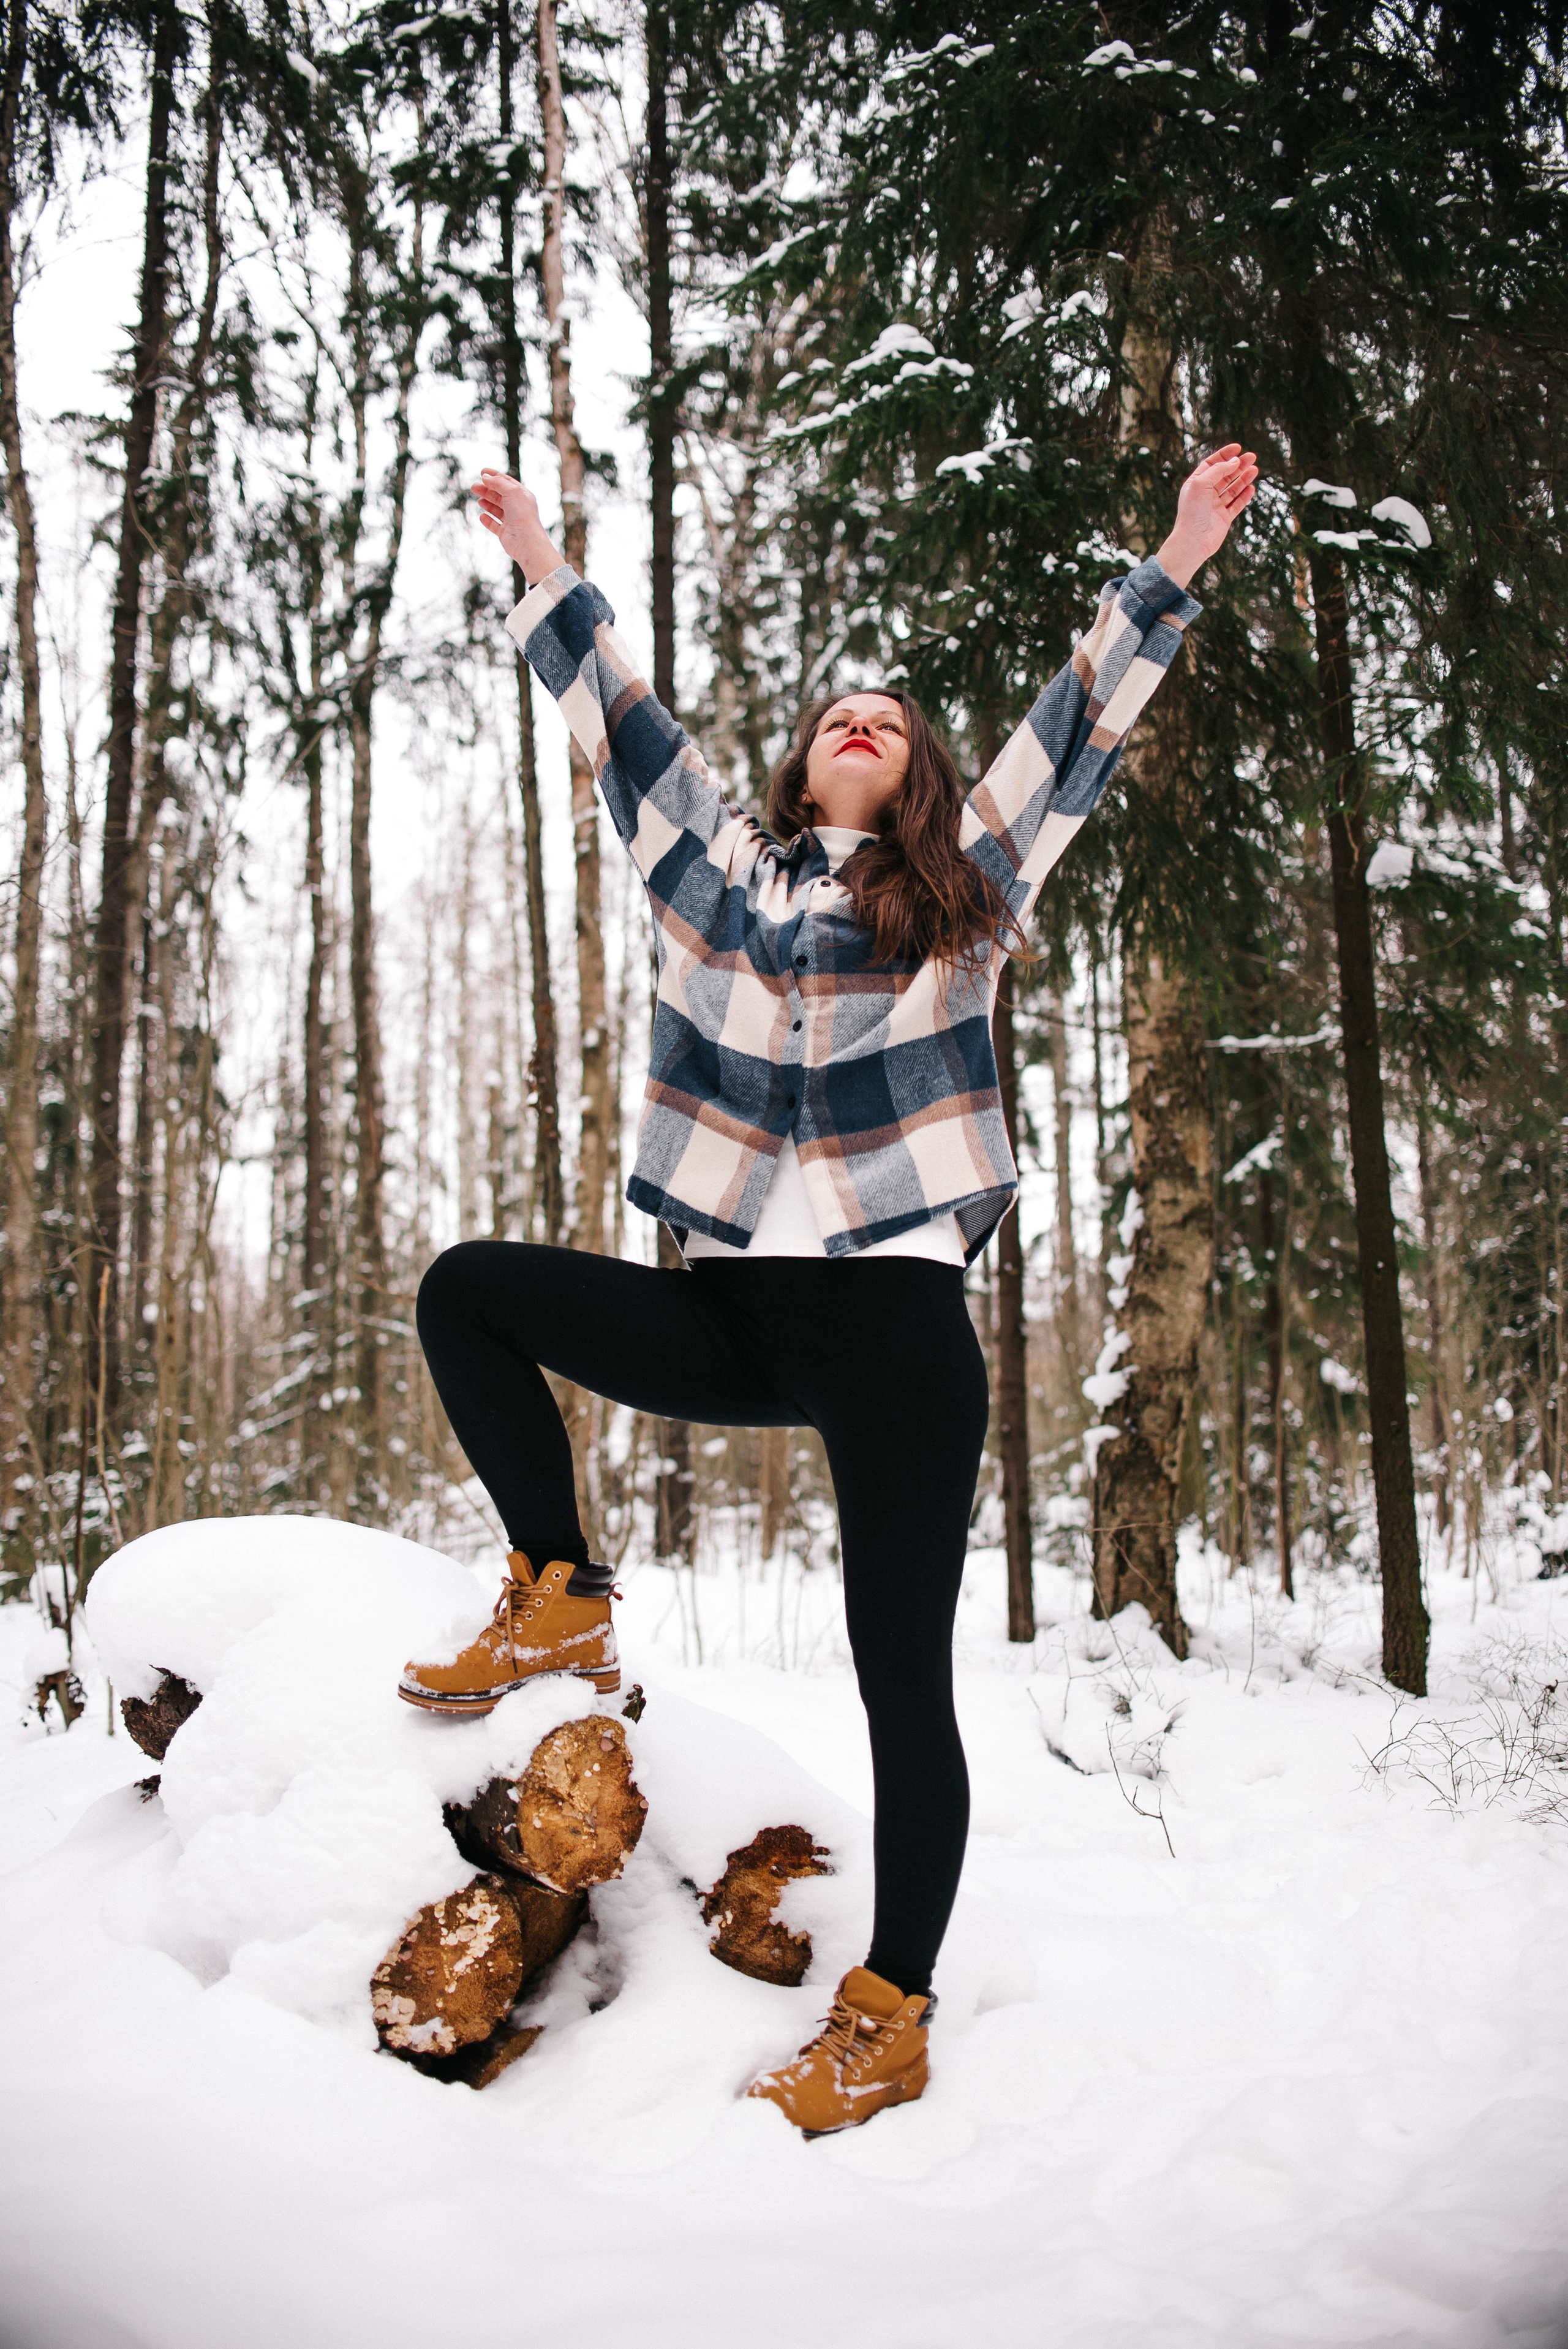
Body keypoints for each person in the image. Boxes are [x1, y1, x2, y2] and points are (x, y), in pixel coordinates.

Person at [402, 444, 1259, 2136]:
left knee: (898, 1678)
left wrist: (1178, 548)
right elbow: (628, 730)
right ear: (801, 764)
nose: (860, 719)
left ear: (922, 773)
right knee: (466, 1290)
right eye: (835, 711)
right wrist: (543, 559)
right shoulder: (714, 883)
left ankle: (892, 2007)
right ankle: (560, 1581)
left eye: (892, 716)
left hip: (894, 1335)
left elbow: (1076, 725)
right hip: (729, 1311)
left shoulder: (964, 891)